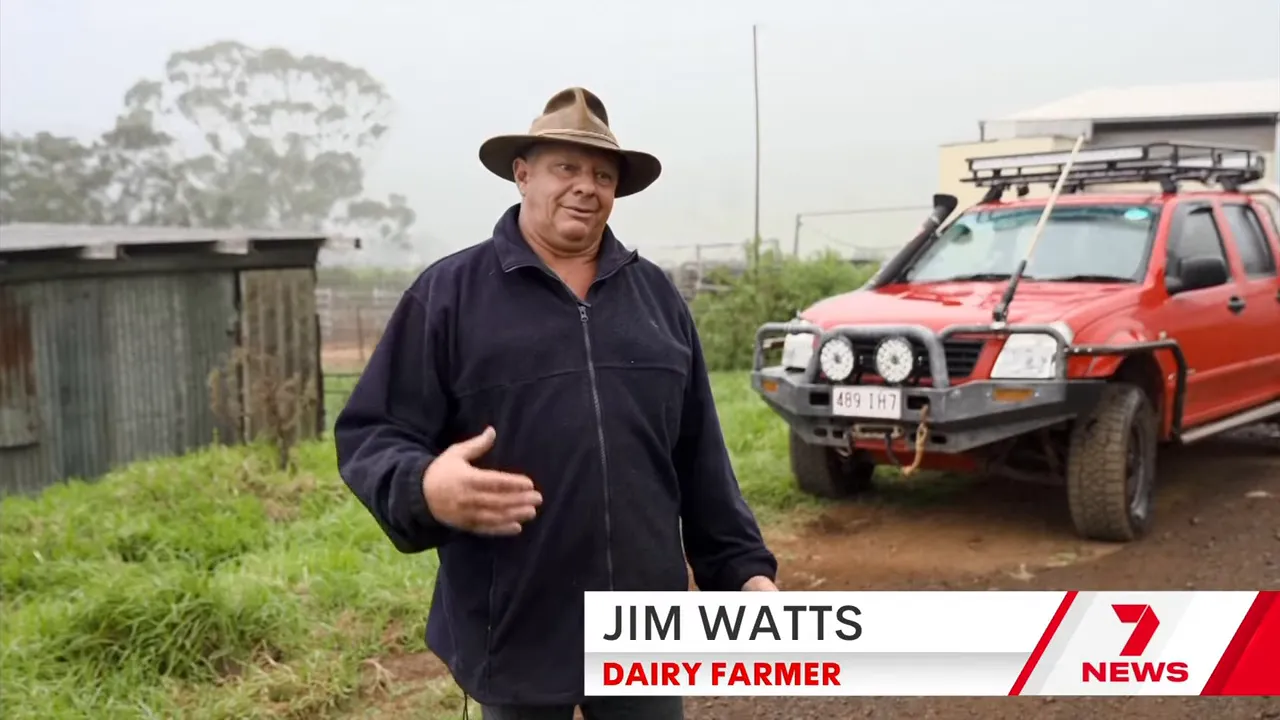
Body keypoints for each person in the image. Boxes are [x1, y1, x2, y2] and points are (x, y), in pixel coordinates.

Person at [335, 87, 779, 720]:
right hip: (512, 621)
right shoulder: (449, 296)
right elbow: (372, 432)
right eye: (565, 168)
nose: (586, 187)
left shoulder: (656, 300)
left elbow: (698, 455)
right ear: (523, 174)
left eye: (602, 174)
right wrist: (425, 486)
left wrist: (741, 570)